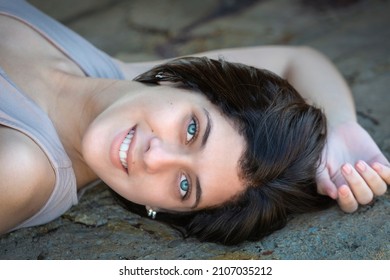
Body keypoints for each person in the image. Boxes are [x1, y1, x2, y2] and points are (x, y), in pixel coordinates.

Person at [0, 0, 388, 245]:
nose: (155, 159)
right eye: (191, 131)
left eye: (184, 186)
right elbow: (299, 59)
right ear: (185, 81)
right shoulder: (117, 75)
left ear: (158, 210)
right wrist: (338, 127)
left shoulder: (19, 171)